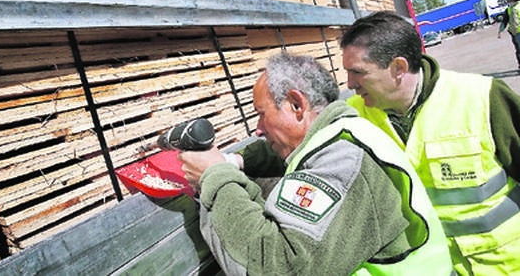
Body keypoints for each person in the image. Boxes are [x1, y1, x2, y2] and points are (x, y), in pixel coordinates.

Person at [178, 52, 453, 275]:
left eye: (262, 114)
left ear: (297, 104)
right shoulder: (342, 131)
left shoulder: (343, 163)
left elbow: (278, 266)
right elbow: (285, 154)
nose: (258, 128)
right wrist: (234, 160)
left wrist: (215, 175)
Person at [340, 11, 520, 275]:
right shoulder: (353, 116)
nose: (350, 84)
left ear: (398, 68)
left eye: (357, 72)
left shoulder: (482, 98)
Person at [498, 0, 520, 68]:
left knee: (519, 50)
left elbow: (504, 21)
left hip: (515, 33)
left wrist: (500, 31)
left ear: (513, 0)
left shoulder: (509, 9)